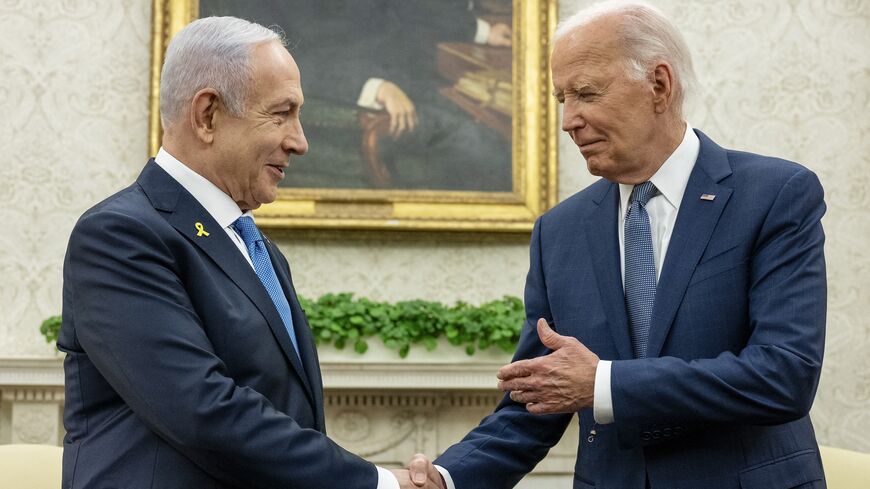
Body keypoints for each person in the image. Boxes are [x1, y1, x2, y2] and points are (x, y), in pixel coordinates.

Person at [416, 1, 828, 488]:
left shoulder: (775, 195)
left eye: (586, 93)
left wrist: (603, 384)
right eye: (561, 99)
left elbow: (784, 376)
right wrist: (445, 478)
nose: (569, 120)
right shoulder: (559, 232)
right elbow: (538, 401)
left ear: (659, 84)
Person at [58, 16, 442, 489]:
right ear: (208, 116)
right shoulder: (120, 235)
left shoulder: (256, 248)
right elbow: (202, 410)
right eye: (281, 114)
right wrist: (378, 483)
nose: (299, 142)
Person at [200, 0, 513, 191]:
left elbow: (407, 11)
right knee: (483, 147)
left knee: (494, 128)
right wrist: (373, 86)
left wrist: (480, 30)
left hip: (413, 79)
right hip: (349, 95)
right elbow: (270, 60)